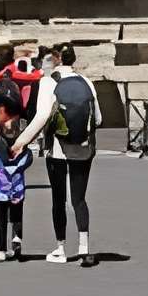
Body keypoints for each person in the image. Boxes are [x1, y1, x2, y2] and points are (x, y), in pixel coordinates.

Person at [17, 42, 103, 266]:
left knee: (58, 199)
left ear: (56, 60)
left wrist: (21, 141)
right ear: (74, 60)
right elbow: (99, 119)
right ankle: (84, 247)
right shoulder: (87, 82)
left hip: (57, 149)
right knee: (79, 199)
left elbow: (42, 116)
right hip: (83, 148)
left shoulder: (48, 82)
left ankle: (61, 249)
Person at [0, 96, 32, 261]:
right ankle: (16, 239)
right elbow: (26, 145)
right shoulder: (22, 122)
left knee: (0, 213)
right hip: (16, 174)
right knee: (17, 209)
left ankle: (1, 250)